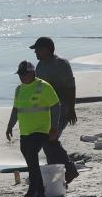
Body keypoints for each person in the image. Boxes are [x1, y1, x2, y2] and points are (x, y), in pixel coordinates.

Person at [5, 61, 61, 197]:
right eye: (20, 74)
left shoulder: (43, 86)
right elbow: (16, 109)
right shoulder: (19, 89)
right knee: (30, 159)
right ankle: (40, 190)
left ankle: (33, 190)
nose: (21, 77)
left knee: (31, 154)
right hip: (25, 131)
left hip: (41, 130)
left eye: (24, 74)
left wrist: (54, 127)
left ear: (32, 73)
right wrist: (10, 125)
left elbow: (56, 106)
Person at [31, 37, 79, 184]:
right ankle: (55, 172)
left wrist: (72, 109)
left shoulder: (61, 64)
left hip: (62, 108)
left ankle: (70, 170)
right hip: (45, 111)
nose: (35, 53)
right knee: (47, 141)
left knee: (50, 139)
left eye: (37, 49)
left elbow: (71, 87)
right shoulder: (39, 66)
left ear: (46, 49)